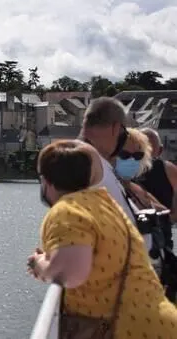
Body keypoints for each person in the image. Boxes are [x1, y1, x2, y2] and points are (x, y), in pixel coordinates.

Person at [28, 140, 177, 338]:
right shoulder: (106, 204)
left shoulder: (68, 210)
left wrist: (39, 264)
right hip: (158, 322)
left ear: (47, 180)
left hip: (129, 329)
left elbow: (70, 273)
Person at [79, 97, 153, 251]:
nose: (131, 160)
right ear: (116, 128)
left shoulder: (106, 171)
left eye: (137, 156)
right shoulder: (92, 163)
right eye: (125, 155)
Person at [137, 128, 177, 250]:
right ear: (160, 150)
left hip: (138, 233)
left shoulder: (127, 169)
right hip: (162, 235)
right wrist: (172, 217)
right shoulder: (168, 169)